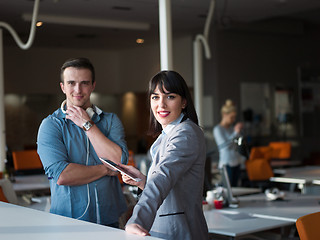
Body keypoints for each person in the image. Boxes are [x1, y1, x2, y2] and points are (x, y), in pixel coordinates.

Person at [37, 57, 128, 227]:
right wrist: (105, 169)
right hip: (68, 221)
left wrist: (88, 126)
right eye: (71, 83)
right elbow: (63, 175)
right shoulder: (50, 125)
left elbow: (120, 163)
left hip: (110, 220)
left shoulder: (110, 121)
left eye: (84, 83)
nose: (77, 89)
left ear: (93, 85)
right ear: (62, 87)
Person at [118, 70, 209, 240]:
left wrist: (137, 220)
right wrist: (143, 181)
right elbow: (169, 183)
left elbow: (163, 176)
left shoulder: (185, 133)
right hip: (166, 229)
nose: (161, 105)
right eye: (155, 97)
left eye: (170, 97)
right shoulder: (169, 133)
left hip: (179, 231)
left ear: (184, 102)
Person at [213, 99, 245, 187]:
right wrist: (236, 132)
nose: (233, 120)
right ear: (224, 115)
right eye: (231, 117)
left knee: (236, 189)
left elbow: (236, 145)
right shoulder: (218, 129)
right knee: (228, 190)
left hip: (236, 162)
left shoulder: (231, 128)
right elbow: (225, 146)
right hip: (226, 164)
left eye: (234, 117)